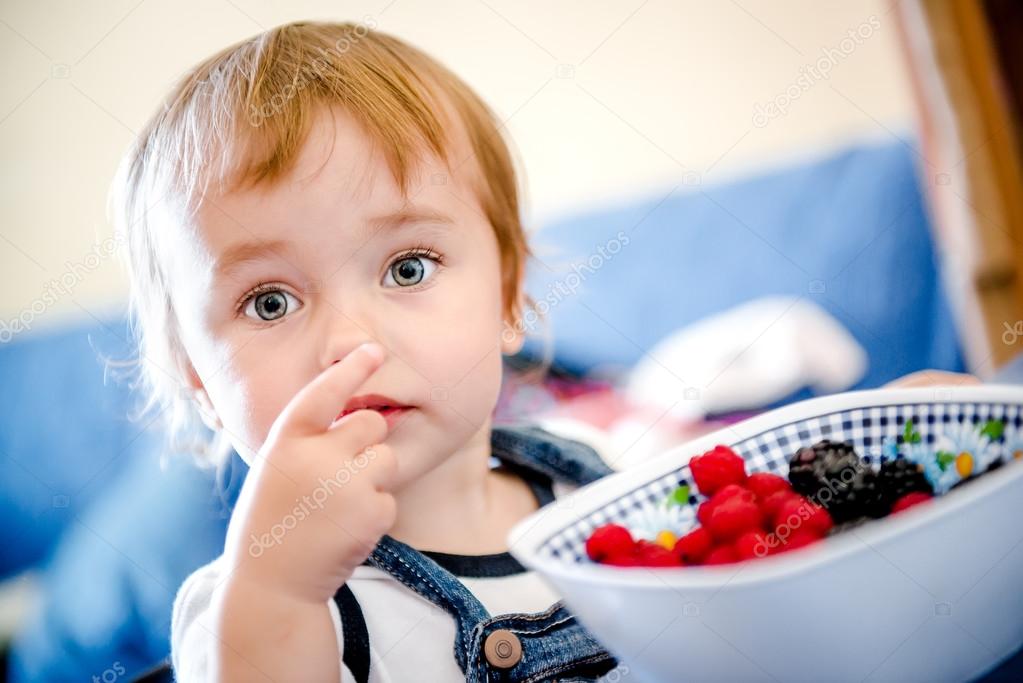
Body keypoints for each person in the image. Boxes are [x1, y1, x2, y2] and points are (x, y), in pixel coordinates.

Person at [112, 20, 619, 681]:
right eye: (270, 301)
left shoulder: (584, 480)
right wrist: (279, 596)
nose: (351, 341)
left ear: (507, 297)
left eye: (408, 267)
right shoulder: (250, 609)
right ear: (199, 384)